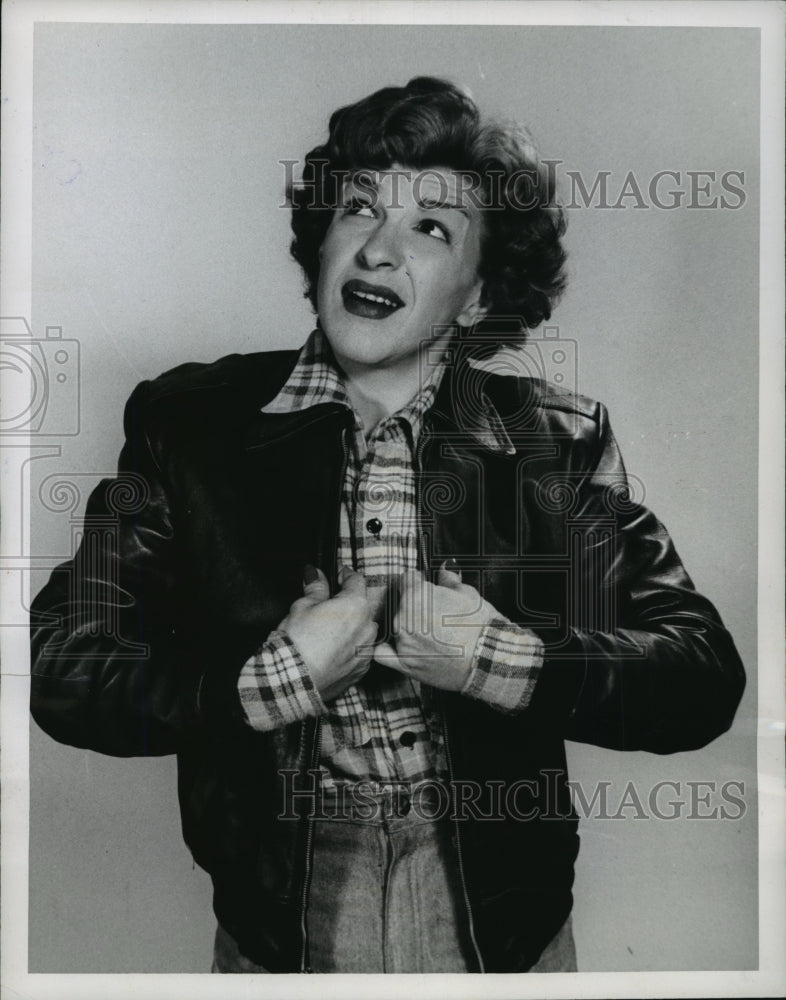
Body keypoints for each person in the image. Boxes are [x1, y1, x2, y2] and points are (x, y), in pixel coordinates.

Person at [30, 76, 745, 974]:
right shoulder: (188, 424)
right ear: (319, 245)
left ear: (478, 297)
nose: (377, 248)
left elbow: (700, 674)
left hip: (494, 913)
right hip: (282, 912)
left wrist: (503, 664)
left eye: (431, 229)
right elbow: (65, 664)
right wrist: (271, 679)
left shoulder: (554, 442)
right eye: (357, 210)